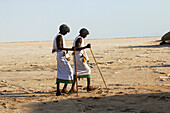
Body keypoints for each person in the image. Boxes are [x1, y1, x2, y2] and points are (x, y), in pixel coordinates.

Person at [52, 24, 74, 96]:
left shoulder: (59, 36)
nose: (66, 33)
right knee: (69, 71)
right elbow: (60, 47)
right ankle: (62, 89)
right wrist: (70, 49)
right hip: (61, 55)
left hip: (61, 55)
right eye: (66, 32)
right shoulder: (59, 36)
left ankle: (61, 89)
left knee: (61, 72)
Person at [70, 28, 91, 93]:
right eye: (86, 35)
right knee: (88, 70)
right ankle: (88, 88)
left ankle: (72, 88)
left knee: (76, 71)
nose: (86, 36)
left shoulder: (78, 38)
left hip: (77, 56)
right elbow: (77, 48)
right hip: (78, 57)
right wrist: (86, 47)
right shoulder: (80, 39)